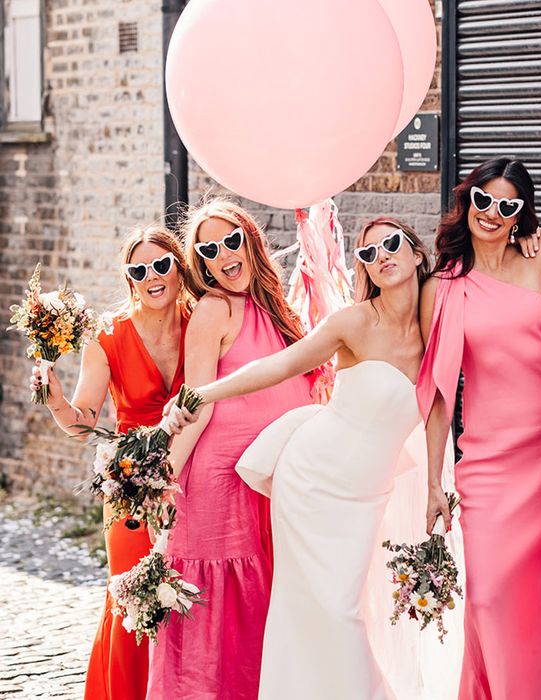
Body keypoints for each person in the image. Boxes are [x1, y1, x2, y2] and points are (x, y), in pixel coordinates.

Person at [165, 219, 459, 699]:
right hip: (311, 480)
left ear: (416, 252)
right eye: (367, 253)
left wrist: (432, 486)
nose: (381, 256)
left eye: (390, 244)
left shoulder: (438, 328)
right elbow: (280, 365)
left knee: (343, 608)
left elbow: (437, 408)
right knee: (331, 608)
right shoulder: (353, 322)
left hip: (367, 493)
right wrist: (200, 395)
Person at [417, 26, 541, 699]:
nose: (494, 214)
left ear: (520, 213)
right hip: (491, 469)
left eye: (508, 206)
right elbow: (442, 392)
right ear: (468, 199)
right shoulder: (443, 284)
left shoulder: (539, 258)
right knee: (492, 602)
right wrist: (433, 481)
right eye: (484, 200)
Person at [145, 198, 313, 699]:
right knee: (217, 610)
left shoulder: (274, 304)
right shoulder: (214, 310)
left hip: (271, 479)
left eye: (231, 240)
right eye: (209, 250)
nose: (223, 255)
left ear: (250, 240)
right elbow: (197, 405)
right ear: (203, 263)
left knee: (262, 603)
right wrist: (161, 480)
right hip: (222, 485)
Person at [30, 226, 191, 700]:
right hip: (131, 485)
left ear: (179, 269)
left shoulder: (204, 321)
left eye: (162, 264)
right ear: (129, 279)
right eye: (140, 270)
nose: (152, 276)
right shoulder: (108, 336)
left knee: (191, 591)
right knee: (132, 595)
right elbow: (83, 421)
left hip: (195, 474)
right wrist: (58, 402)